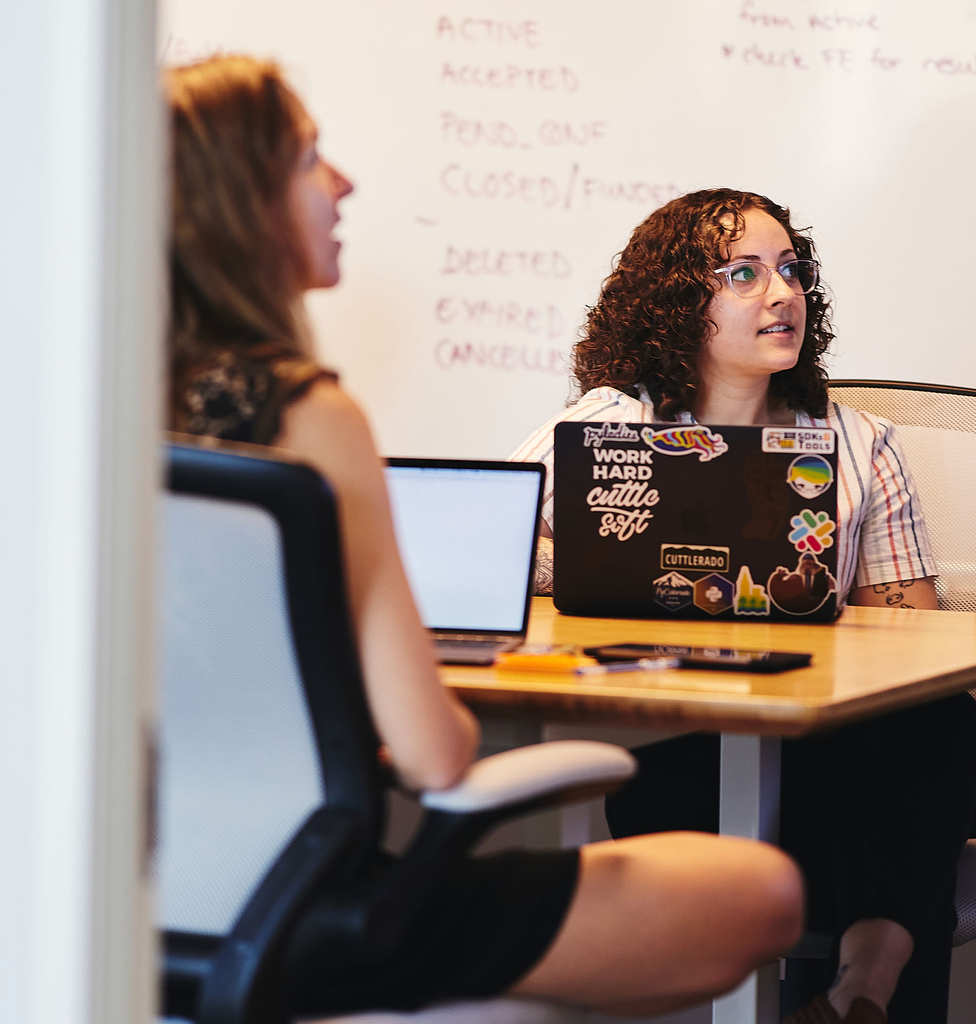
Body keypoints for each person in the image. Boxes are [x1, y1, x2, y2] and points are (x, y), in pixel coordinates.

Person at [165, 57, 805, 1018]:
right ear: (237, 203)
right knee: (760, 892)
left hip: (116, 903)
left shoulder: (94, 411)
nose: (344, 182)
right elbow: (432, 755)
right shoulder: (307, 417)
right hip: (304, 925)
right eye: (307, 158)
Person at [511, 189, 976, 1024]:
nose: (781, 293)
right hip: (683, 752)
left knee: (942, 725)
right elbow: (499, 551)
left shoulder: (856, 441)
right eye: (744, 274)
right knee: (870, 843)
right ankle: (866, 974)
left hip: (827, 757)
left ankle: (862, 984)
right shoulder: (608, 428)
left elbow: (918, 640)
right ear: (675, 305)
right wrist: (600, 564)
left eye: (791, 271)